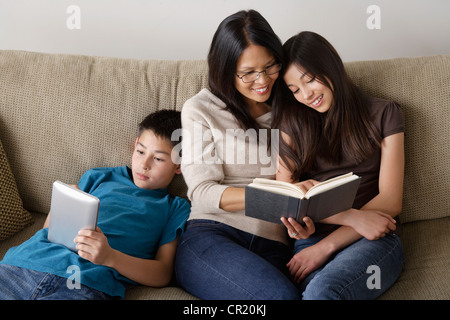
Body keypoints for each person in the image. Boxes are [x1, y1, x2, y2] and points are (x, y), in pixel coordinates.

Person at [174, 10, 314, 300]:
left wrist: (304, 215)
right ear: (225, 70)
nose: (262, 80)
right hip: (213, 235)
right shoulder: (201, 109)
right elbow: (201, 191)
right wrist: (275, 197)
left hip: (276, 246)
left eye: (270, 66)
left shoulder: (294, 105)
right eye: (248, 72)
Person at [0, 110, 190, 300]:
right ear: (135, 144)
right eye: (140, 151)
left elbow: (163, 274)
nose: (144, 164)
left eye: (158, 158)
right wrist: (60, 206)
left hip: (84, 284)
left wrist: (110, 257)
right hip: (25, 263)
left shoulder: (175, 207)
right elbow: (50, 231)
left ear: (179, 165)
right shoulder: (99, 176)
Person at [272, 31, 405, 299]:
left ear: (330, 65)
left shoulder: (385, 113)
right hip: (311, 239)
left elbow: (390, 201)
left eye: (309, 79)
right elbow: (283, 195)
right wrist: (350, 216)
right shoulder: (292, 123)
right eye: (294, 89)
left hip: (372, 237)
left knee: (323, 291)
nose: (306, 95)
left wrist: (326, 247)